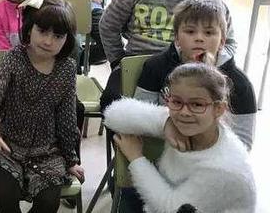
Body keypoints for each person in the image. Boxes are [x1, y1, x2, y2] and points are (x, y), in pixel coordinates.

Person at [99, 0, 236, 108]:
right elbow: (108, 25)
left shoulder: (212, 2)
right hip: (138, 63)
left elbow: (230, 42)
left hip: (191, 67)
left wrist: (208, 62)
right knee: (112, 103)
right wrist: (118, 60)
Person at [0, 0, 84, 213]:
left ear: (67, 39)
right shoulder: (15, 58)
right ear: (29, 29)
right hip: (4, 145)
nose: (48, 41)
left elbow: (67, 117)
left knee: (48, 203)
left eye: (58, 35)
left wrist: (71, 159)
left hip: (47, 152)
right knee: (6, 196)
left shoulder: (66, 69)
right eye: (43, 31)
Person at [104, 63, 256, 213]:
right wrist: (164, 123)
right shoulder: (189, 125)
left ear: (218, 109)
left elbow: (170, 208)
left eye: (197, 104)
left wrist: (136, 158)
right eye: (176, 101)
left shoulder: (224, 168)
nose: (184, 112)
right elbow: (113, 115)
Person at [135, 0, 256, 149]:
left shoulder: (239, 83)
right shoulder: (156, 66)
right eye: (190, 31)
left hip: (211, 161)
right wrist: (166, 124)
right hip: (162, 151)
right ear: (177, 38)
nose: (199, 38)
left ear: (222, 41)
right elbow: (139, 112)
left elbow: (244, 143)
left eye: (209, 32)